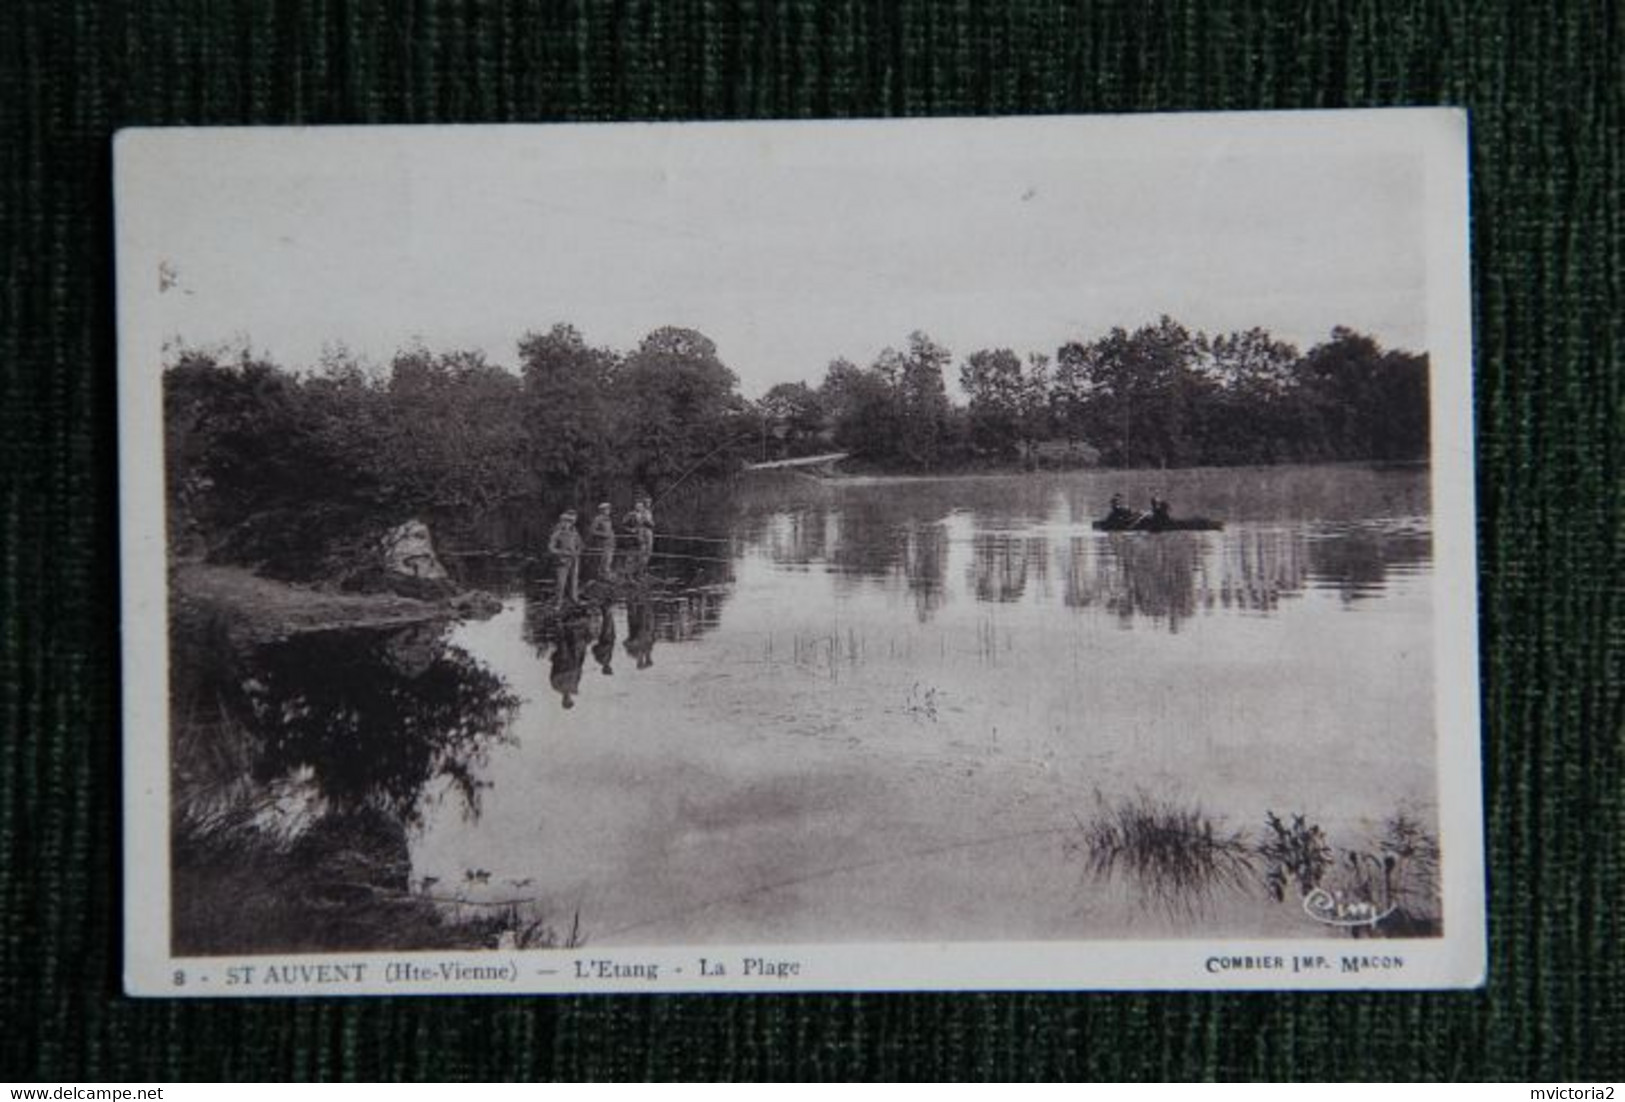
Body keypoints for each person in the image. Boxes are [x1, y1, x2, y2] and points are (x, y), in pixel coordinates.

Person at [547, 510, 582, 608]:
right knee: (561, 583)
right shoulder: (557, 533)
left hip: (574, 560)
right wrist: (562, 553)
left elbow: (580, 544)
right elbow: (551, 548)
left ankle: (575, 600)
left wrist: (577, 552)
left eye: (570, 522)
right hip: (562, 561)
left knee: (574, 581)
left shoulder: (575, 532)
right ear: (562, 522)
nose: (568, 524)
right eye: (566, 521)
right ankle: (558, 603)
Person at [623, 495, 656, 578]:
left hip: (648, 534)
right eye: (638, 505)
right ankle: (636, 573)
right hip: (639, 535)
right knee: (640, 554)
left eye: (641, 506)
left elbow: (653, 524)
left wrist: (647, 521)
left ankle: (642, 571)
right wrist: (631, 530)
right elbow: (623, 525)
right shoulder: (631, 514)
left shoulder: (648, 513)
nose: (639, 507)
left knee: (648, 553)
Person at [588, 502, 616, 583]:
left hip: (611, 543)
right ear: (602, 510)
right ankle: (602, 579)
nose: (608, 510)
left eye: (609, 509)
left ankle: (606, 578)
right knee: (604, 561)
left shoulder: (608, 518)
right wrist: (604, 535)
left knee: (609, 561)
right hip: (603, 544)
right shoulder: (598, 519)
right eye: (607, 509)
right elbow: (592, 531)